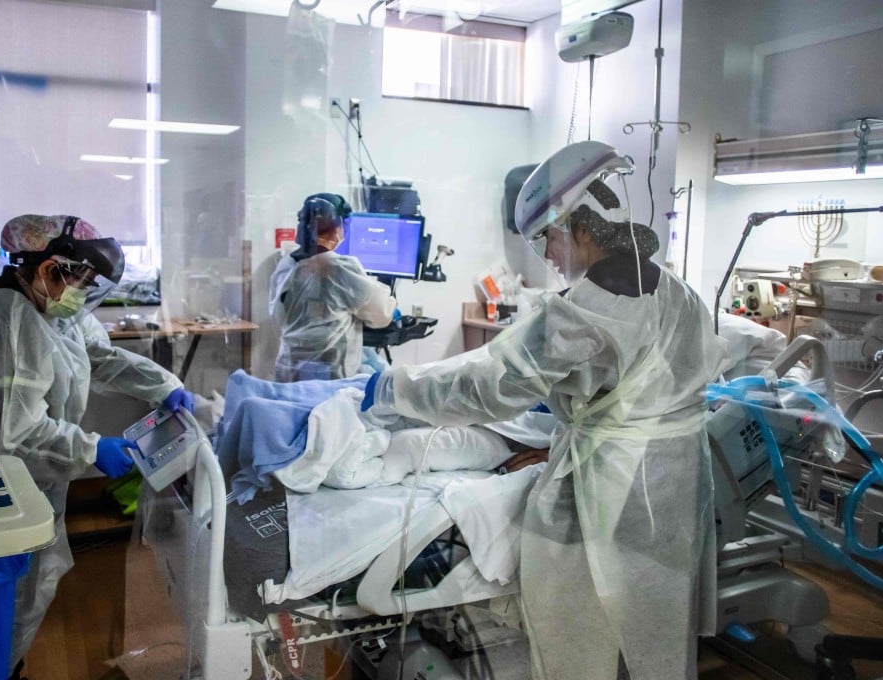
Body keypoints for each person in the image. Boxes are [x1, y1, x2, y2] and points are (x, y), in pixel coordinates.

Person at [362, 142, 730, 680]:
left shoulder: (588, 309)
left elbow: (487, 387)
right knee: (655, 629)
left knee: (584, 631)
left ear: (580, 226)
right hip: (674, 484)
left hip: (616, 487)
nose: (547, 256)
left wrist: (394, 389)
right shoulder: (674, 289)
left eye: (547, 239)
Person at [0, 214, 195, 675]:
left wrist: (162, 384)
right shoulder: (6, 319)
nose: (83, 293)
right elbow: (15, 436)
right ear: (49, 268)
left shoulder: (51, 310)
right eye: (81, 279)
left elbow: (101, 357)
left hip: (29, 485)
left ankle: (4, 666)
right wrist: (93, 451)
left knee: (26, 594)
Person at [269, 193, 398, 382]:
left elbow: (278, 316)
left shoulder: (285, 265)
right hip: (327, 376)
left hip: (288, 368)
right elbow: (382, 314)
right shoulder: (338, 268)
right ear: (337, 226)